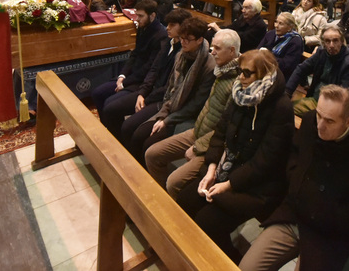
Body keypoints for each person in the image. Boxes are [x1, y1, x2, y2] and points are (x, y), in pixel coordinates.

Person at [240, 86, 349, 271]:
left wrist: (331, 213)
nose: (320, 125)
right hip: (294, 214)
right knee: (247, 267)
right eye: (319, 115)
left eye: (329, 121)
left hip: (329, 235)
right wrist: (296, 178)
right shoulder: (310, 121)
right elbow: (295, 153)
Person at [176, 50, 294, 262]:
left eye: (247, 73)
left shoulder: (281, 107)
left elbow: (266, 161)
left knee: (207, 222)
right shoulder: (240, 93)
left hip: (257, 187)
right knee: (185, 200)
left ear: (263, 75)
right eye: (240, 71)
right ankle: (192, 256)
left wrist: (228, 184)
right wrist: (212, 168)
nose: (240, 77)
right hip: (226, 170)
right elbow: (220, 133)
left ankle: (227, 261)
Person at [145, 29, 241, 198]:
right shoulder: (221, 70)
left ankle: (175, 214)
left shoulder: (237, 83)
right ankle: (161, 202)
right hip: (198, 131)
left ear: (232, 51)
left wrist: (197, 147)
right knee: (152, 154)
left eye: (217, 48)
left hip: (212, 144)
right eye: (212, 47)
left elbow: (226, 129)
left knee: (174, 181)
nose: (212, 52)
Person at [122, 17, 216, 166]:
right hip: (171, 105)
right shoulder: (181, 56)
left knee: (148, 143)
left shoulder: (209, 66)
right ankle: (130, 170)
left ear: (199, 40)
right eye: (182, 38)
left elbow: (196, 104)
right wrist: (164, 113)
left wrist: (167, 120)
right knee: (135, 132)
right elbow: (172, 88)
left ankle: (144, 179)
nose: (183, 42)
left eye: (188, 39)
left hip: (187, 115)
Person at [99, 9, 189, 139]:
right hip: (150, 91)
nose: (167, 28)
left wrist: (146, 97)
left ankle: (124, 150)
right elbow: (153, 69)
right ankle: (116, 143)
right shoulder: (168, 43)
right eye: (167, 24)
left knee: (128, 126)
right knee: (110, 108)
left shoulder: (182, 51)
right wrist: (142, 93)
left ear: (183, 26)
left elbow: (172, 86)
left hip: (161, 98)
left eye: (172, 25)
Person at [91, 0, 166, 129]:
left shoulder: (161, 35)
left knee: (110, 105)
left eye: (141, 16)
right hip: (131, 76)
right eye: (136, 15)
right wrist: (122, 75)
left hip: (141, 81)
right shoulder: (143, 28)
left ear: (152, 15)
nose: (137, 19)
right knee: (97, 93)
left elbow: (150, 67)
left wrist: (125, 83)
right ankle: (108, 129)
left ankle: (116, 135)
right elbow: (134, 55)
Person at [286, 25, 349, 115]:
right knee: (283, 107)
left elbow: (347, 96)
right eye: (327, 41)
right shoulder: (322, 52)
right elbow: (301, 69)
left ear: (342, 41)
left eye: (335, 40)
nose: (331, 45)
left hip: (333, 108)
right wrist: (287, 93)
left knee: (288, 112)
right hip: (315, 100)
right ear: (323, 43)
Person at [257, 12, 304, 79]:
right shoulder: (271, 34)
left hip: (280, 76)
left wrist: (268, 56)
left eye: (281, 23)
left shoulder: (295, 42)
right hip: (263, 69)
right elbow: (258, 50)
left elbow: (286, 66)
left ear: (289, 27)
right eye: (276, 22)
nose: (276, 25)